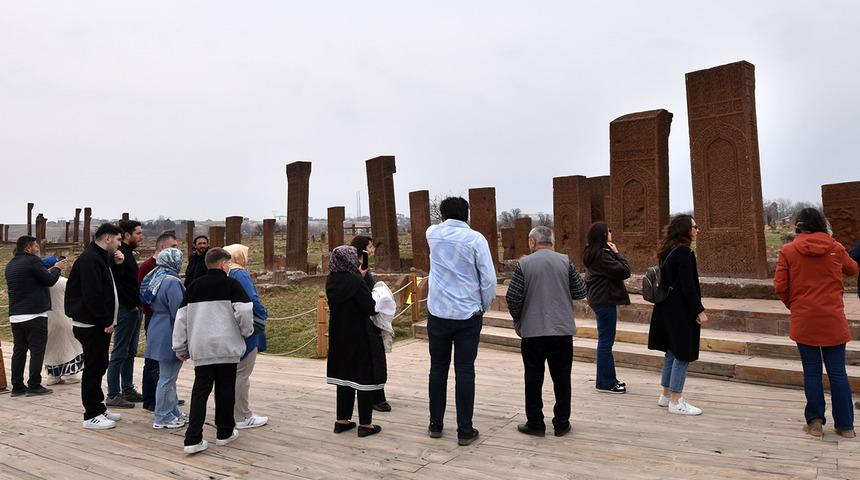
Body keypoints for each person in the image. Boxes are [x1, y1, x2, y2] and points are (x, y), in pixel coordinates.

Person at [774, 208, 858, 438]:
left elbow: (780, 285)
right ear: (822, 224)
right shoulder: (835, 248)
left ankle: (815, 423)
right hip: (832, 318)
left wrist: (796, 306)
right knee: (838, 372)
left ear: (798, 225)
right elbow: (852, 269)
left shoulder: (789, 250)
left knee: (811, 372)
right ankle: (846, 426)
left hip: (805, 319)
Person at [425, 196, 497, 446]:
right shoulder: (476, 239)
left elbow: (435, 227)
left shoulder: (432, 234)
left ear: (443, 215)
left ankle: (435, 424)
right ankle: (465, 430)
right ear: (467, 214)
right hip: (467, 313)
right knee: (465, 371)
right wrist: (484, 306)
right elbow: (488, 278)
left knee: (437, 369)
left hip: (438, 312)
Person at [506, 226, 587, 437]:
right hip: (561, 330)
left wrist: (519, 320)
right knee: (562, 378)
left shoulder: (523, 264)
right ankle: (561, 423)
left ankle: (535, 422)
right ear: (552, 241)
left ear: (533, 242)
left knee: (533, 378)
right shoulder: (565, 261)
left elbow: (513, 297)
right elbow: (580, 291)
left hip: (533, 330)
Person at [174, 248, 253, 454]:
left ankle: (192, 438)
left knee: (200, 391)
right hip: (227, 346)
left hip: (202, 348)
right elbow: (245, 311)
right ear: (222, 264)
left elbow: (181, 319)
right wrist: (246, 332)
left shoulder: (193, 287)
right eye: (227, 264)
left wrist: (180, 346)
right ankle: (224, 432)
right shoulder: (232, 284)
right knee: (225, 389)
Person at [65, 223, 125, 429]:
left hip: (97, 323)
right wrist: (105, 320)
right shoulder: (90, 259)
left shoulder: (99, 257)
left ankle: (99, 407)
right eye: (118, 240)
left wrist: (116, 262)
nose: (120, 244)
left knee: (99, 365)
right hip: (91, 324)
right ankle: (91, 414)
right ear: (107, 239)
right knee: (93, 367)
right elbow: (93, 295)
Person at [647, 214, 708, 416]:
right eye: (694, 226)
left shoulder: (669, 250)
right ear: (685, 230)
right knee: (682, 353)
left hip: (666, 309)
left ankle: (665, 396)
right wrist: (699, 310)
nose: (697, 229)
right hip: (680, 311)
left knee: (672, 352)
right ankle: (676, 400)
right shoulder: (684, 253)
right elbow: (688, 287)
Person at [326, 245, 385, 438]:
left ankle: (342, 420)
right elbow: (370, 307)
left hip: (338, 334)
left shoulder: (331, 280)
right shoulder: (355, 281)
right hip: (359, 333)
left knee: (344, 378)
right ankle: (365, 424)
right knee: (363, 377)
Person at [5, 236, 65, 397]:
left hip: (16, 315)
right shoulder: (33, 261)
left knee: (19, 351)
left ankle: (17, 386)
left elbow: (32, 280)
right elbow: (50, 281)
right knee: (37, 351)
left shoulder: (10, 265)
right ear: (28, 248)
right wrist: (57, 268)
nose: (38, 247)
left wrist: (47, 271)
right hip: (35, 314)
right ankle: (34, 385)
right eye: (35, 245)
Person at [223, 244, 270, 430]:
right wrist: (263, 314)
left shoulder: (226, 272)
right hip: (246, 327)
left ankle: (231, 411)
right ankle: (242, 415)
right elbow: (250, 298)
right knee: (242, 373)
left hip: (230, 325)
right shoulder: (240, 273)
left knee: (234, 373)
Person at [141, 247, 187, 430]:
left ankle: (172, 409)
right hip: (169, 328)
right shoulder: (173, 282)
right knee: (167, 377)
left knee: (168, 376)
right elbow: (179, 311)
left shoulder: (155, 277)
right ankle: (162, 416)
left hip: (157, 325)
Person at [583, 222, 631, 394]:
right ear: (603, 235)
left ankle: (608, 379)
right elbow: (625, 271)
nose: (611, 232)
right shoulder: (602, 255)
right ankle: (605, 382)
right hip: (604, 301)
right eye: (608, 231)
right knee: (605, 342)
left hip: (599, 300)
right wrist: (618, 253)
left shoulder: (592, 252)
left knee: (605, 341)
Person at [349, 235, 391, 413]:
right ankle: (374, 397)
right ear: (363, 249)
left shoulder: (362, 268)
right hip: (364, 319)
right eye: (370, 247)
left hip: (368, 318)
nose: (372, 250)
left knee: (373, 359)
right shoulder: (357, 269)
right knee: (372, 359)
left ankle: (376, 395)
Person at [106, 220, 145, 409]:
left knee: (130, 352)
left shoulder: (129, 254)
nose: (141, 236)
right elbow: (118, 284)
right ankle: (113, 394)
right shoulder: (117, 256)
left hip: (134, 308)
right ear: (127, 235)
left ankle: (128, 389)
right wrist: (130, 305)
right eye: (138, 233)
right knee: (119, 352)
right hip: (125, 309)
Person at [139, 232, 179, 412]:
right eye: (174, 248)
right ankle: (159, 407)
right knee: (163, 372)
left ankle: (169, 405)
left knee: (165, 373)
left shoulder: (157, 275)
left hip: (157, 320)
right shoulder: (169, 281)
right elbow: (178, 309)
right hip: (165, 324)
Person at [41, 256, 83, 386]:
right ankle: (71, 374)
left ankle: (53, 376)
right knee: (70, 346)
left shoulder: (40, 283)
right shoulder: (64, 282)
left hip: (47, 320)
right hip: (65, 318)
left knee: (51, 348)